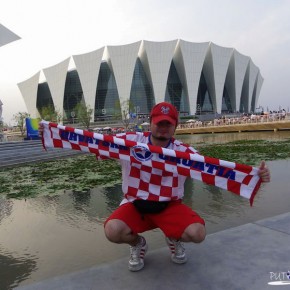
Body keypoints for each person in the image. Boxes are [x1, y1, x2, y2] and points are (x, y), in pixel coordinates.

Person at [103, 102, 271, 272]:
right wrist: (87, 144)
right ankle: (138, 244)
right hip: (136, 205)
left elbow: (216, 171)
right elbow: (94, 143)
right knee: (112, 230)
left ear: (175, 126)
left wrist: (255, 176)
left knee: (197, 233)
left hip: (168, 206)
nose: (163, 127)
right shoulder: (129, 142)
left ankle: (173, 237)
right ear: (151, 122)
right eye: (159, 123)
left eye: (168, 123)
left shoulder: (185, 152)